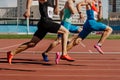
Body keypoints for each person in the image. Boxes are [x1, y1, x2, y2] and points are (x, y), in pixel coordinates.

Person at [7, 0, 72, 64]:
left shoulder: (52, 2)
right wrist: (28, 10)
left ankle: (11, 53)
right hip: (46, 22)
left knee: (32, 43)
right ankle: (64, 54)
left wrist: (57, 6)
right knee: (65, 32)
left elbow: (55, 11)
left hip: (44, 25)